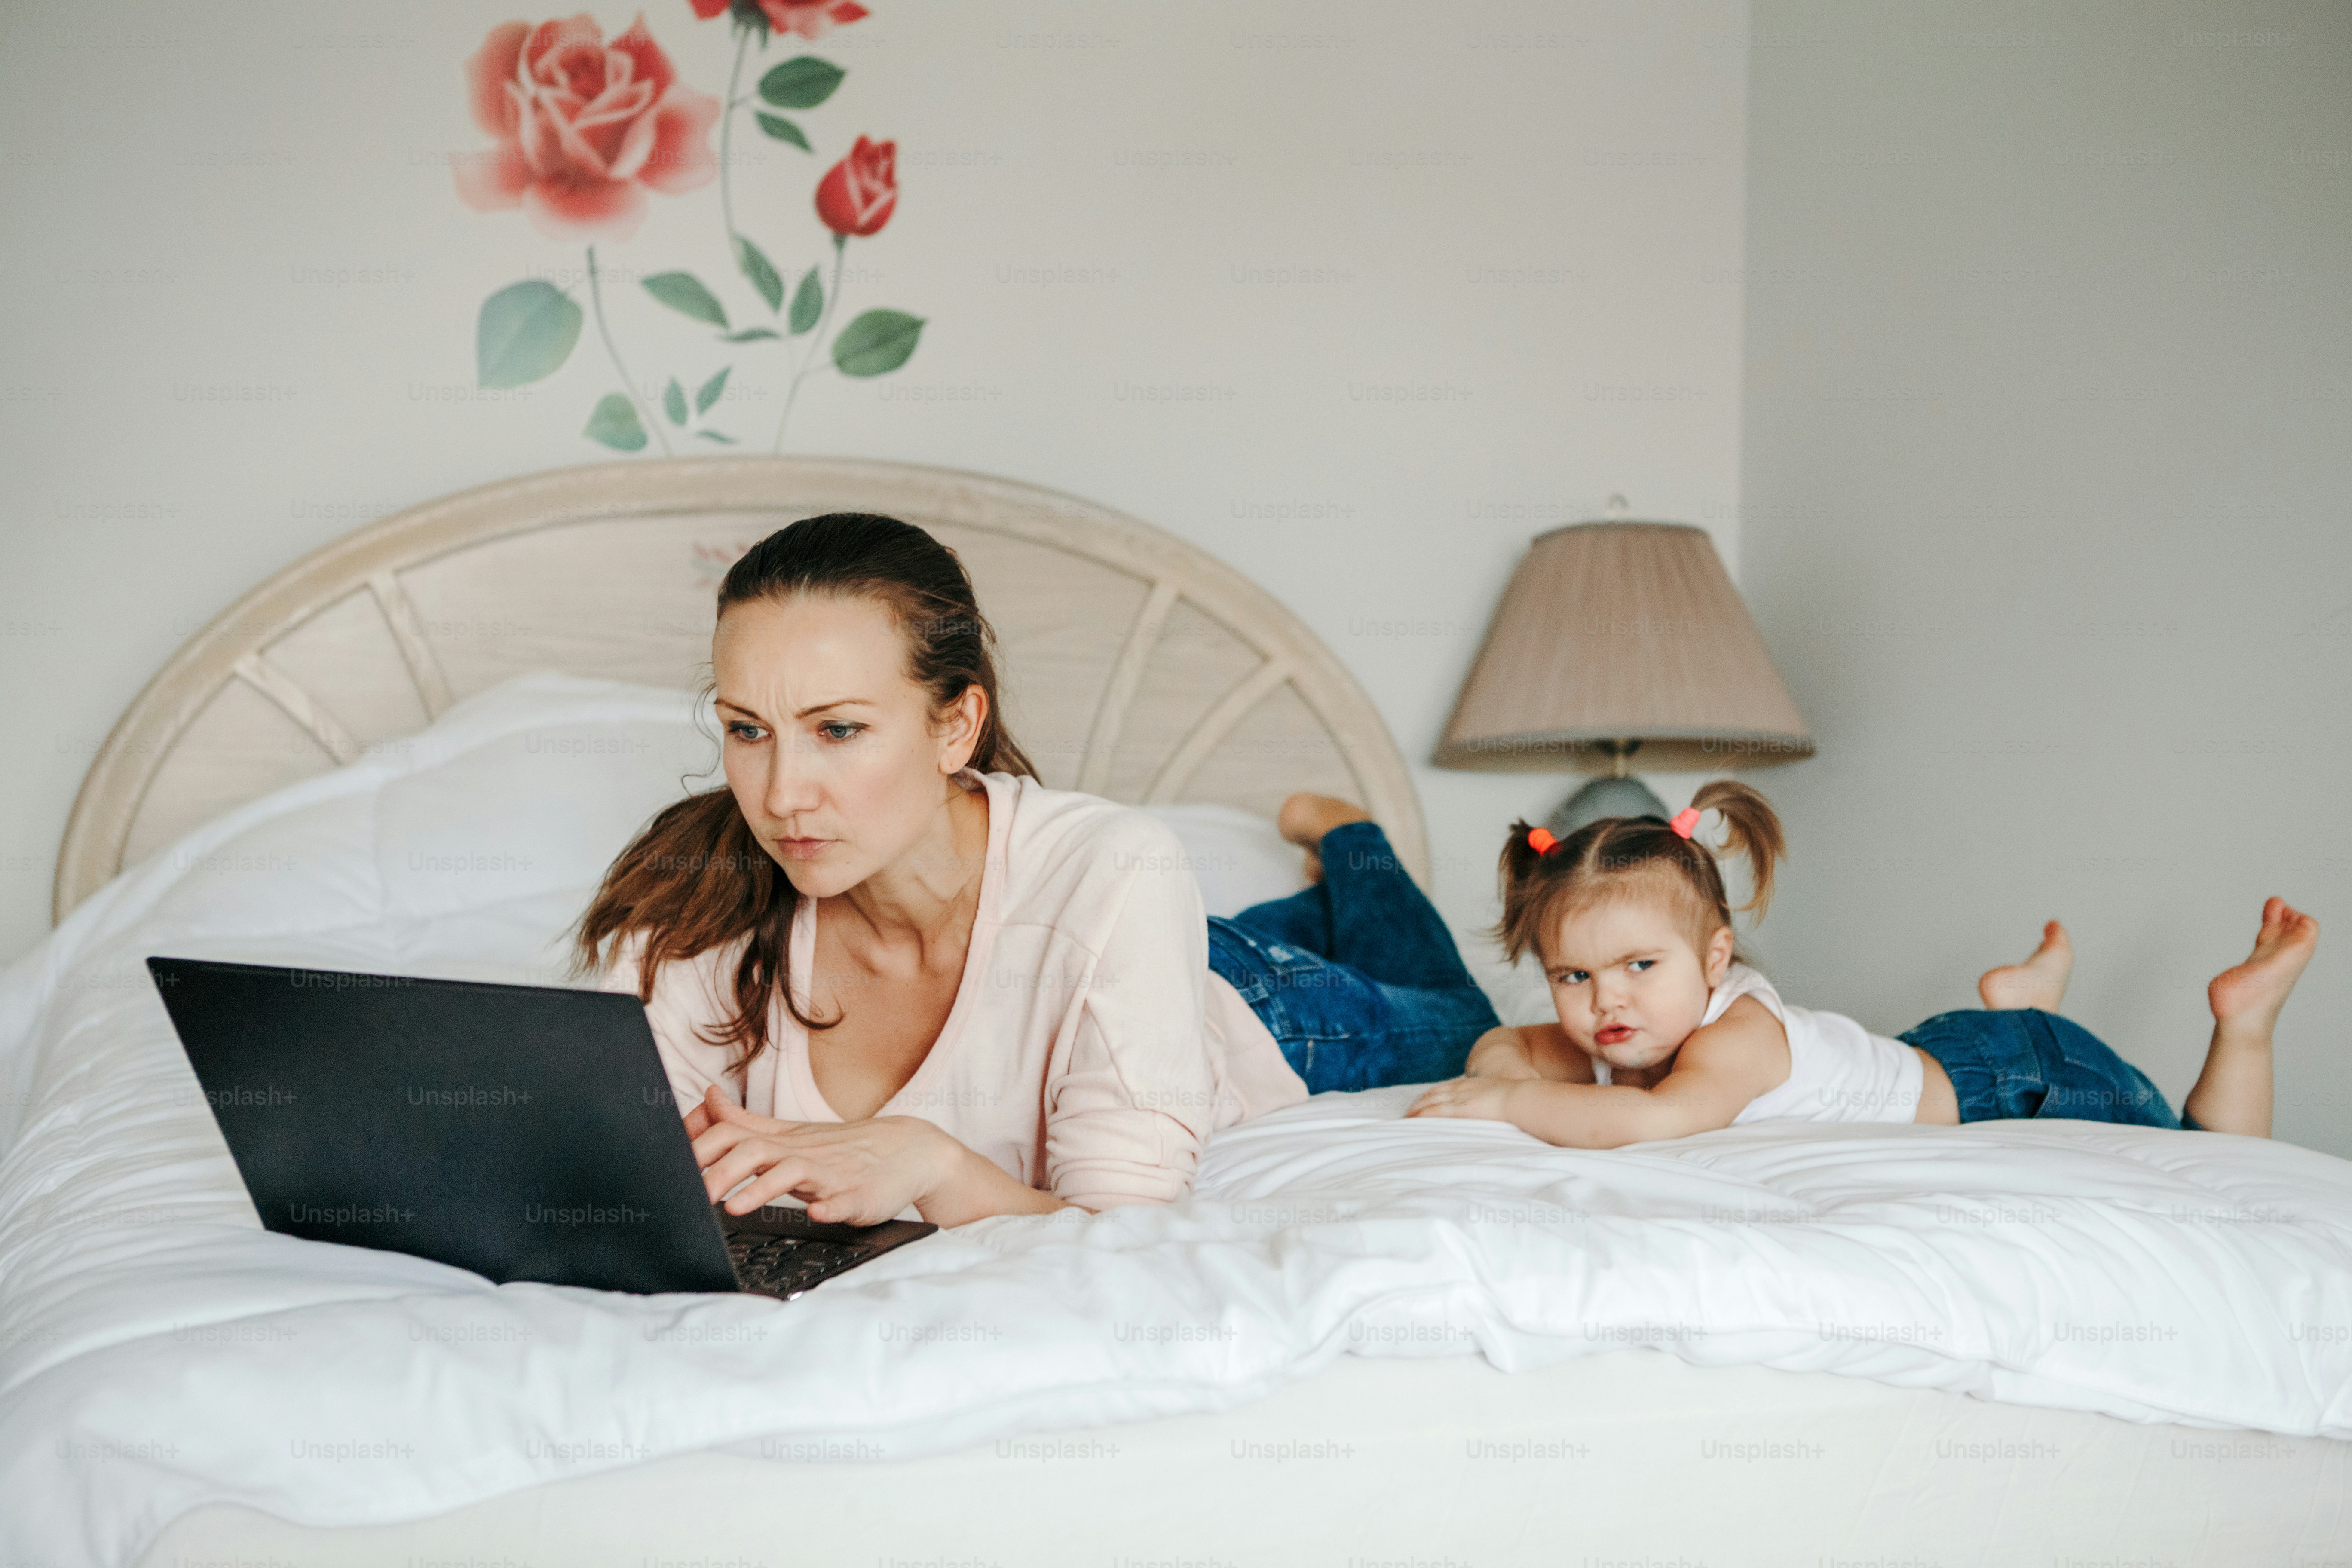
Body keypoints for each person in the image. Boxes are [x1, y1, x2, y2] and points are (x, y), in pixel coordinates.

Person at [572, 511, 1495, 1228]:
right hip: (1118, 954)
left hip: (1260, 1007)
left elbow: (1123, 1232)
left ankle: (1349, 840)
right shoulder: (692, 900)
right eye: (747, 731)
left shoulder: (1119, 868)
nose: (781, 797)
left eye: (839, 730)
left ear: (956, 726)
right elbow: (611, 1174)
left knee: (1459, 1018)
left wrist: (931, 1163)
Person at [1406, 779, 2319, 1145]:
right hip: (1937, 1051)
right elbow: (1506, 1044)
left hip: (2017, 1080)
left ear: (1715, 957)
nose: (1606, 1000)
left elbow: (1655, 1125)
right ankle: (2019, 1000)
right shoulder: (1630, 1026)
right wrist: (1497, 1071)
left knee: (2213, 1158)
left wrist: (1510, 1102)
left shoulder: (1738, 1041)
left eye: (1641, 965)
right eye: (1573, 976)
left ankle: (2244, 1022)